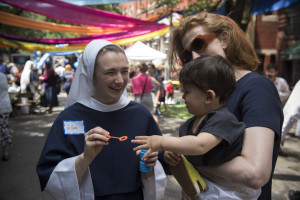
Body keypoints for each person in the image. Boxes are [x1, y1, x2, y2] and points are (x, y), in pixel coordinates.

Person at [168, 12, 283, 200]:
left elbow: (254, 173)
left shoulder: (257, 88)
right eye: (187, 55)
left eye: (199, 44)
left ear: (223, 39)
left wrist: (190, 160)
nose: (195, 57)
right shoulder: (210, 93)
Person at [36, 40, 167, 200]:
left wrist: (152, 163)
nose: (119, 80)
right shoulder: (70, 118)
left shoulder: (141, 114)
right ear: (91, 75)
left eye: (124, 71)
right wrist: (85, 158)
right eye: (110, 72)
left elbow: (160, 160)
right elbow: (50, 176)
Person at [133, 55, 261, 199]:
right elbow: (188, 157)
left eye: (186, 92)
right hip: (205, 186)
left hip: (230, 190)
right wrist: (172, 155)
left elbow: (200, 145)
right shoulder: (188, 126)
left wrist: (162, 142)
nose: (182, 97)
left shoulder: (223, 119)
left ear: (208, 97)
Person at [0, 72, 13, 161]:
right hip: (4, 106)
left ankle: (6, 153)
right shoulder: (2, 75)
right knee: (4, 129)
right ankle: (6, 152)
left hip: (2, 106)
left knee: (3, 129)